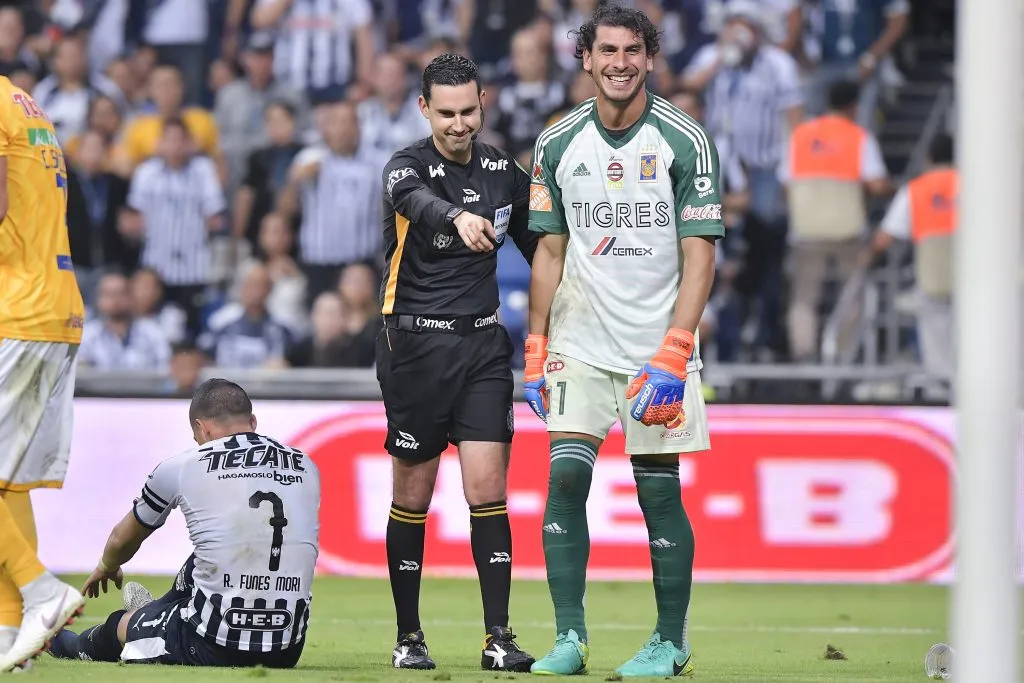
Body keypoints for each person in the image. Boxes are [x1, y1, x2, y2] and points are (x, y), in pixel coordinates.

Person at [524, 5, 724, 677]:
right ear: (585, 57)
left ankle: (671, 640)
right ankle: (570, 639)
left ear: (649, 57)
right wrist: (534, 342)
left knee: (658, 492)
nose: (619, 61)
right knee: (564, 476)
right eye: (606, 49)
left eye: (632, 49)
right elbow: (549, 251)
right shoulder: (556, 143)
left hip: (655, 349)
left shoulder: (683, 139)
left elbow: (700, 258)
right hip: (577, 341)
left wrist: (675, 347)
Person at [378, 52, 538, 672]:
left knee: (488, 489)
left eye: (468, 110)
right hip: (414, 348)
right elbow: (417, 202)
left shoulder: (504, 169)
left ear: (483, 103)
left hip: (482, 348)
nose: (458, 123)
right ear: (424, 109)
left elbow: (540, 243)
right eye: (445, 112)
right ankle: (408, 637)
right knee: (413, 496)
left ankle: (498, 637)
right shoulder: (403, 168)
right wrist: (457, 215)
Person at [47, 379, 321, 668]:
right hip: (288, 647)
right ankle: (158, 609)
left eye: (197, 437)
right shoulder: (306, 464)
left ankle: (65, 641)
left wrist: (107, 566)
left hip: (211, 644)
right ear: (252, 421)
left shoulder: (184, 465)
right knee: (217, 551)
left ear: (202, 428)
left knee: (119, 627)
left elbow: (122, 539)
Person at [0, 76, 88, 672]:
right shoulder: (21, 101)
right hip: (50, 304)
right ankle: (12, 632)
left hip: (18, 310)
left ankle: (40, 589)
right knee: (8, 482)